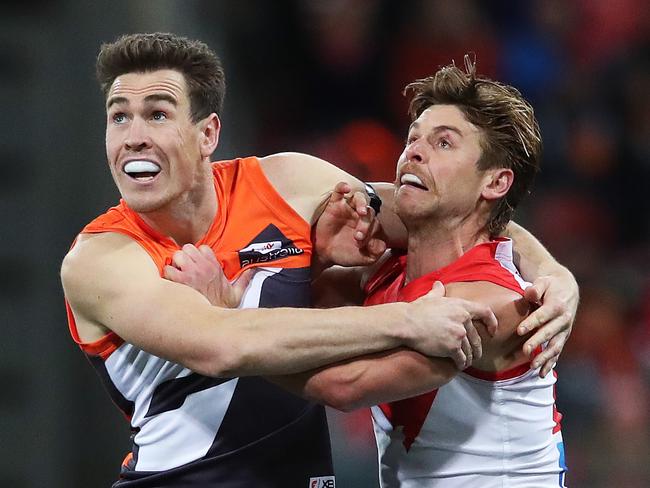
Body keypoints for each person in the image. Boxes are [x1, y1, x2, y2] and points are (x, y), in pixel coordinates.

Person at [60, 33, 574, 487]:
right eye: (118, 117)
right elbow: (222, 346)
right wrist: (372, 297)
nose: (133, 136)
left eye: (156, 113)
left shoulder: (288, 185)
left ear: (208, 134)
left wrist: (552, 271)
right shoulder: (103, 259)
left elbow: (460, 217)